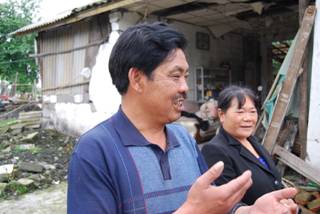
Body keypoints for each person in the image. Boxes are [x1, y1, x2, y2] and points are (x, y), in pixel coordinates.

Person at [67, 22, 298, 214]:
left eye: (186, 76)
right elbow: (198, 208)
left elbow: (212, 204)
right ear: (137, 79)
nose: (185, 87)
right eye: (175, 76)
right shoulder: (95, 151)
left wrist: (249, 212)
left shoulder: (184, 139)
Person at [201, 85, 287, 206]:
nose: (248, 118)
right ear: (222, 115)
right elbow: (226, 203)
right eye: (240, 112)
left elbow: (274, 180)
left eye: (252, 112)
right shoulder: (215, 150)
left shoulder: (252, 141)